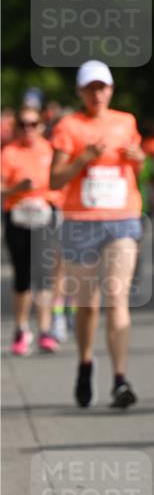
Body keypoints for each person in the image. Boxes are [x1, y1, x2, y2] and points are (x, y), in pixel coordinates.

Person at [50, 60, 145, 409]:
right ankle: (86, 363)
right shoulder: (68, 126)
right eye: (90, 88)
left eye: (102, 86)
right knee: (87, 305)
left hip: (121, 220)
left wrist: (138, 157)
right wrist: (83, 159)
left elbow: (137, 164)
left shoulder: (126, 122)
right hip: (79, 222)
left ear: (111, 89)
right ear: (80, 91)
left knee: (116, 297)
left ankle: (120, 379)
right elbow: (55, 179)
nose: (97, 93)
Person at [1, 105, 61, 355]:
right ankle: (21, 327)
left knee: (45, 274)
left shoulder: (50, 151)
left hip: (45, 215)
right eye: (23, 124)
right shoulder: (9, 153)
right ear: (16, 128)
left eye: (33, 124)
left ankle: (45, 329)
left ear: (41, 127)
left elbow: (61, 182)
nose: (28, 129)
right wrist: (18, 188)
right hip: (17, 216)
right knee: (23, 274)